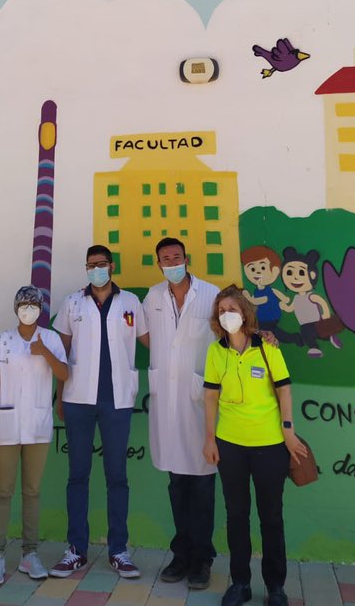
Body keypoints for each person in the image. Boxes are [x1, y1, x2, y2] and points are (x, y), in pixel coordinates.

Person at [203, 284, 307, 606]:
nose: (226, 315)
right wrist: (210, 438)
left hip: (270, 445)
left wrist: (288, 431)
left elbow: (284, 391)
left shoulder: (267, 347)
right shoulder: (216, 351)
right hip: (231, 445)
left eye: (232, 309)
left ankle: (276, 587)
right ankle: (240, 584)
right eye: (221, 311)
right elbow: (210, 396)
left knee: (271, 517)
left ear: (245, 313)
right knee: (236, 516)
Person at [50, 245, 147, 579]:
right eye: (91, 266)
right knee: (78, 475)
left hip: (118, 401)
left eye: (101, 264)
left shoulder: (131, 302)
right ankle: (76, 549)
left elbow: (153, 341)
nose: (96, 270)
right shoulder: (72, 303)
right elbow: (60, 354)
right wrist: (60, 397)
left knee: (117, 476)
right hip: (78, 400)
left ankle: (118, 550)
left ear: (112, 266)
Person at [139, 238, 219, 590]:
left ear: (187, 259)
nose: (171, 262)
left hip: (200, 401)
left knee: (202, 483)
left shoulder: (211, 294)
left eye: (176, 257)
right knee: (176, 482)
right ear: (158, 264)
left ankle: (203, 558)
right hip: (167, 401)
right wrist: (167, 358)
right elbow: (145, 336)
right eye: (164, 259)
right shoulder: (153, 297)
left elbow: (231, 332)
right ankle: (182, 553)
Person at [0, 285, 68, 584]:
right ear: (16, 307)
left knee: (32, 491)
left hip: (38, 426)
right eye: (24, 303)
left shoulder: (52, 339)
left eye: (34, 304)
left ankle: (29, 555)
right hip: (5, 425)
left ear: (41, 308)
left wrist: (44, 351)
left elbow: (64, 375)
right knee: (3, 491)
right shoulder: (3, 340)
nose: (28, 308)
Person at [240, 246, 300, 345]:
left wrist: (248, 298)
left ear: (275, 270)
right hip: (262, 318)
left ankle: (293, 338)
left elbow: (261, 300)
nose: (258, 272)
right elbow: (255, 302)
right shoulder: (256, 291)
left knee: (272, 334)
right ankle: (294, 338)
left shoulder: (269, 290)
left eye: (263, 267)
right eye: (252, 268)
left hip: (270, 317)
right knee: (272, 334)